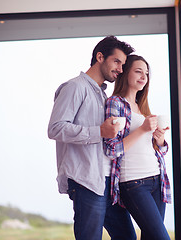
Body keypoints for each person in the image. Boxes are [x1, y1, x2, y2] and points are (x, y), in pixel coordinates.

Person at [47, 36, 136, 240]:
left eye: (123, 64)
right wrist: (100, 132)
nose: (121, 69)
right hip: (86, 181)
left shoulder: (102, 95)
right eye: (117, 62)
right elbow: (55, 128)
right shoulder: (75, 87)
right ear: (99, 57)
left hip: (106, 181)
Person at [104, 54, 172, 240]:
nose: (144, 76)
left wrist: (159, 140)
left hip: (157, 180)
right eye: (138, 71)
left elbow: (159, 151)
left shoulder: (142, 107)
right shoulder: (115, 103)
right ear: (125, 73)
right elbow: (111, 149)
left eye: (146, 73)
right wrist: (142, 130)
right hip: (133, 182)